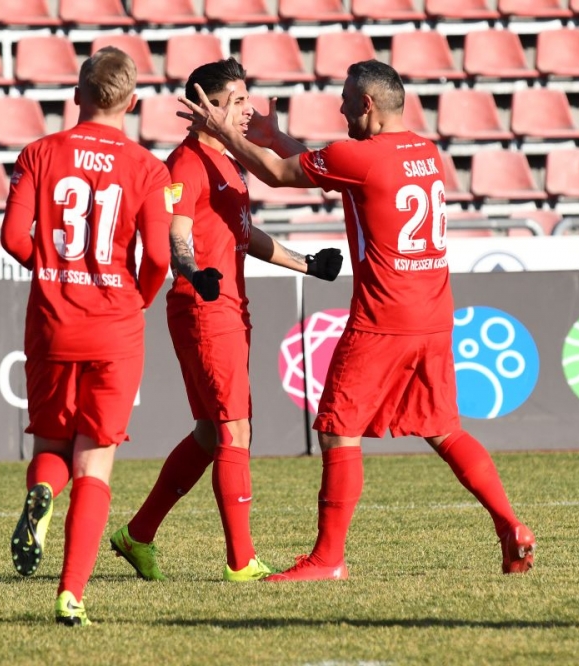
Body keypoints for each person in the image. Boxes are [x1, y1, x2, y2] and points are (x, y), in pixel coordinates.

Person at [177, 60, 536, 581]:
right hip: (434, 314)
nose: (341, 108)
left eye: (346, 100)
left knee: (337, 431)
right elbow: (320, 162)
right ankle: (510, 525)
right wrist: (276, 135)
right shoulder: (425, 153)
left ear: (366, 105)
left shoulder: (359, 157)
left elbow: (281, 174)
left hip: (382, 318)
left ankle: (328, 559)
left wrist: (221, 133)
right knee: (443, 429)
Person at [107, 58, 344, 583]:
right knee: (234, 430)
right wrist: (193, 271)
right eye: (238, 100)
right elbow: (177, 232)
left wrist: (307, 264)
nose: (248, 110)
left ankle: (137, 535)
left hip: (230, 306)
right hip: (204, 307)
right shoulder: (186, 163)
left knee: (213, 434)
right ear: (206, 104)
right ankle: (241, 562)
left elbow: (242, 232)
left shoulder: (230, 161)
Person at [0, 46, 172, 625]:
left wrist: (50, 268)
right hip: (115, 327)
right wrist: (137, 300)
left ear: (77, 94)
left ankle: (41, 498)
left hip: (52, 321)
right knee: (94, 463)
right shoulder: (148, 167)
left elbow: (11, 238)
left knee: (51, 442)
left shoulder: (39, 153)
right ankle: (71, 594)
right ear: (133, 102)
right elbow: (157, 258)